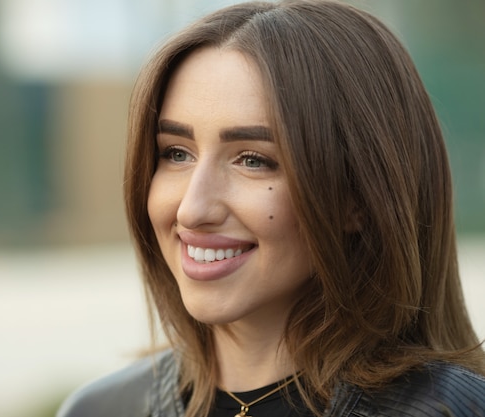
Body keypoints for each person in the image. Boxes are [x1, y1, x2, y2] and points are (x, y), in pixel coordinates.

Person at [57, 1, 485, 416]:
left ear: (358, 198)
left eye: (253, 160)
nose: (192, 210)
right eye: (176, 153)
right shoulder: (99, 410)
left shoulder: (448, 409)